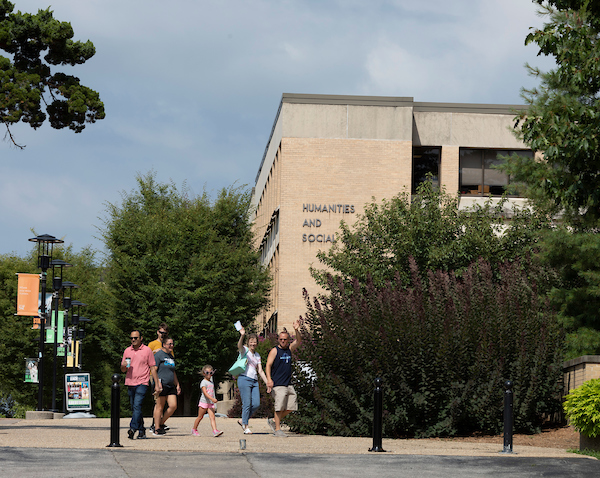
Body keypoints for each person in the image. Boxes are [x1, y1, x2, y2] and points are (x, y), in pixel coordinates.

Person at [121, 330, 161, 439]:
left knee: (137, 405)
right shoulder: (127, 351)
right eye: (131, 338)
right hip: (130, 382)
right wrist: (123, 366)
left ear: (141, 338)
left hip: (142, 382)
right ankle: (142, 430)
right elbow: (123, 370)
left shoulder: (147, 350)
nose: (133, 340)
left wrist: (157, 384)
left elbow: (153, 367)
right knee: (135, 408)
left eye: (135, 338)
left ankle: (133, 428)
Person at [265, 319, 302, 437]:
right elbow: (268, 365)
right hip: (278, 383)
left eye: (284, 339)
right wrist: (269, 380)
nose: (282, 341)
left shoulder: (289, 349)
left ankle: (273, 421)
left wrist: (296, 330)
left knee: (292, 406)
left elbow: (299, 341)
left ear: (288, 340)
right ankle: (277, 430)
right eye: (280, 339)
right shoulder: (275, 351)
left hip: (288, 383)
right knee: (279, 406)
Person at [236, 327, 269, 434]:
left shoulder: (257, 355)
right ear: (248, 342)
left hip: (254, 381)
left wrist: (267, 382)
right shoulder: (245, 351)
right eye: (251, 342)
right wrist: (242, 335)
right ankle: (245, 426)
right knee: (246, 403)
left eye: (254, 342)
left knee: (256, 404)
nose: (253, 344)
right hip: (244, 379)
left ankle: (242, 420)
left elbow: (260, 371)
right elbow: (239, 346)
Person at [151, 337, 180, 436]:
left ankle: (160, 423)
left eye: (172, 344)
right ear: (164, 344)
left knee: (173, 406)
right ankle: (157, 428)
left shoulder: (171, 356)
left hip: (170, 384)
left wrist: (177, 384)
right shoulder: (159, 355)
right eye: (169, 344)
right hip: (161, 383)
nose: (171, 346)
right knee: (160, 406)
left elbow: (173, 371)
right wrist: (157, 383)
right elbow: (154, 370)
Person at [192, 365, 223, 437]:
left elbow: (212, 392)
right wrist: (212, 399)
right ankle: (194, 429)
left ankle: (215, 430)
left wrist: (212, 400)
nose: (209, 374)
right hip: (204, 402)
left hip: (210, 403)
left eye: (211, 372)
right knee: (200, 417)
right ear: (204, 373)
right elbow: (205, 393)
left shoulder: (211, 382)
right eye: (207, 372)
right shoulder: (203, 382)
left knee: (212, 417)